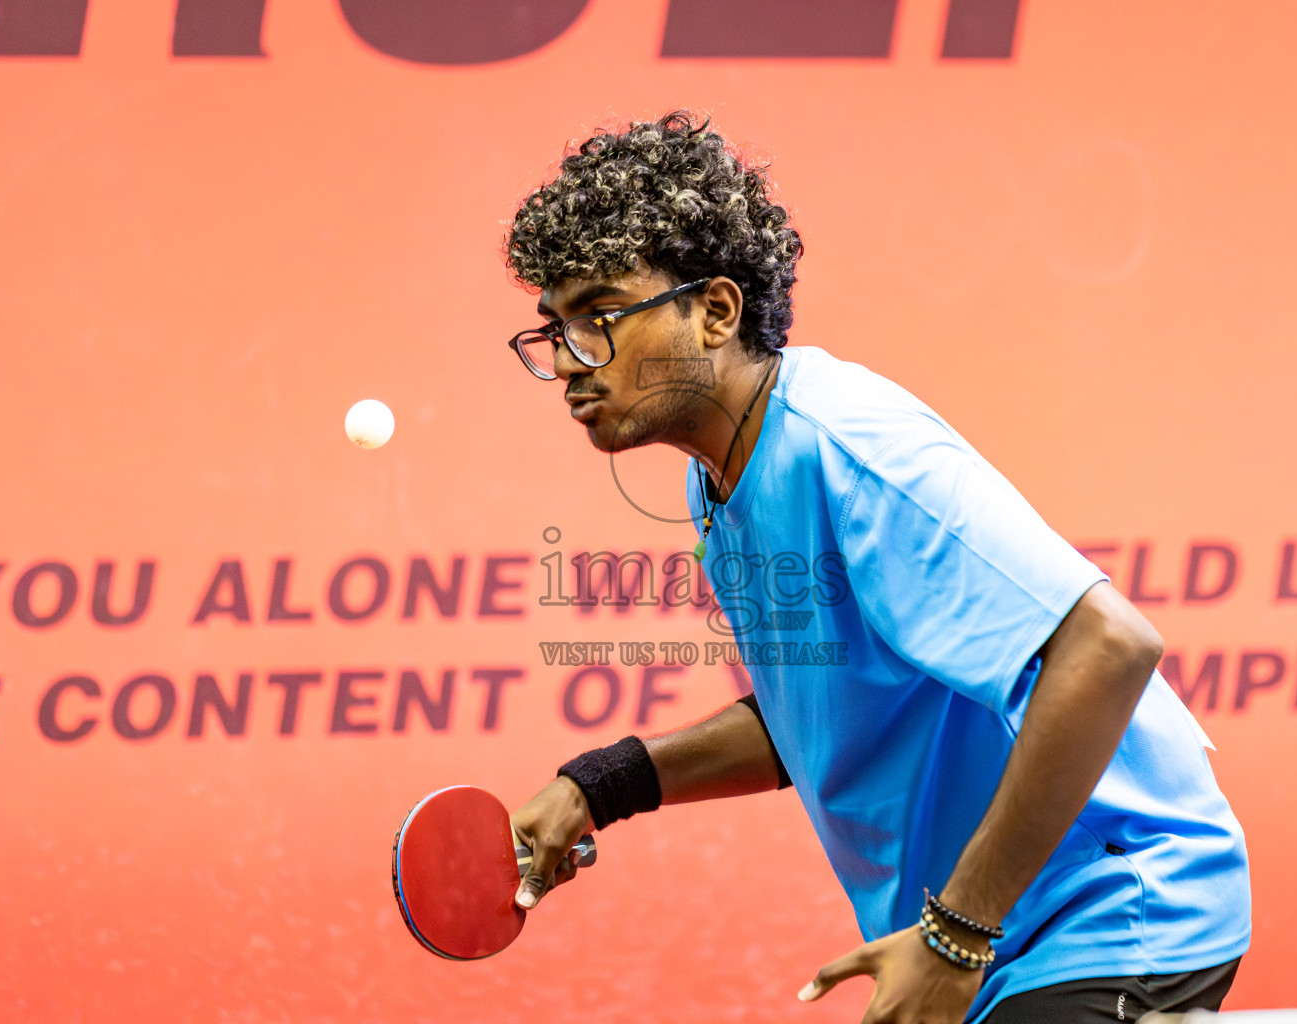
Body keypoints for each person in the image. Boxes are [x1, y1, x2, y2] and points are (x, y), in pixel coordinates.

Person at [501, 111, 1250, 1024]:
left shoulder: (851, 449)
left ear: (717, 311)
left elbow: (1108, 648)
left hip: (1112, 911)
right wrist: (602, 783)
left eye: (601, 317)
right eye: (557, 329)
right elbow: (819, 712)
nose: (569, 361)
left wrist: (956, 936)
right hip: (999, 941)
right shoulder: (722, 477)